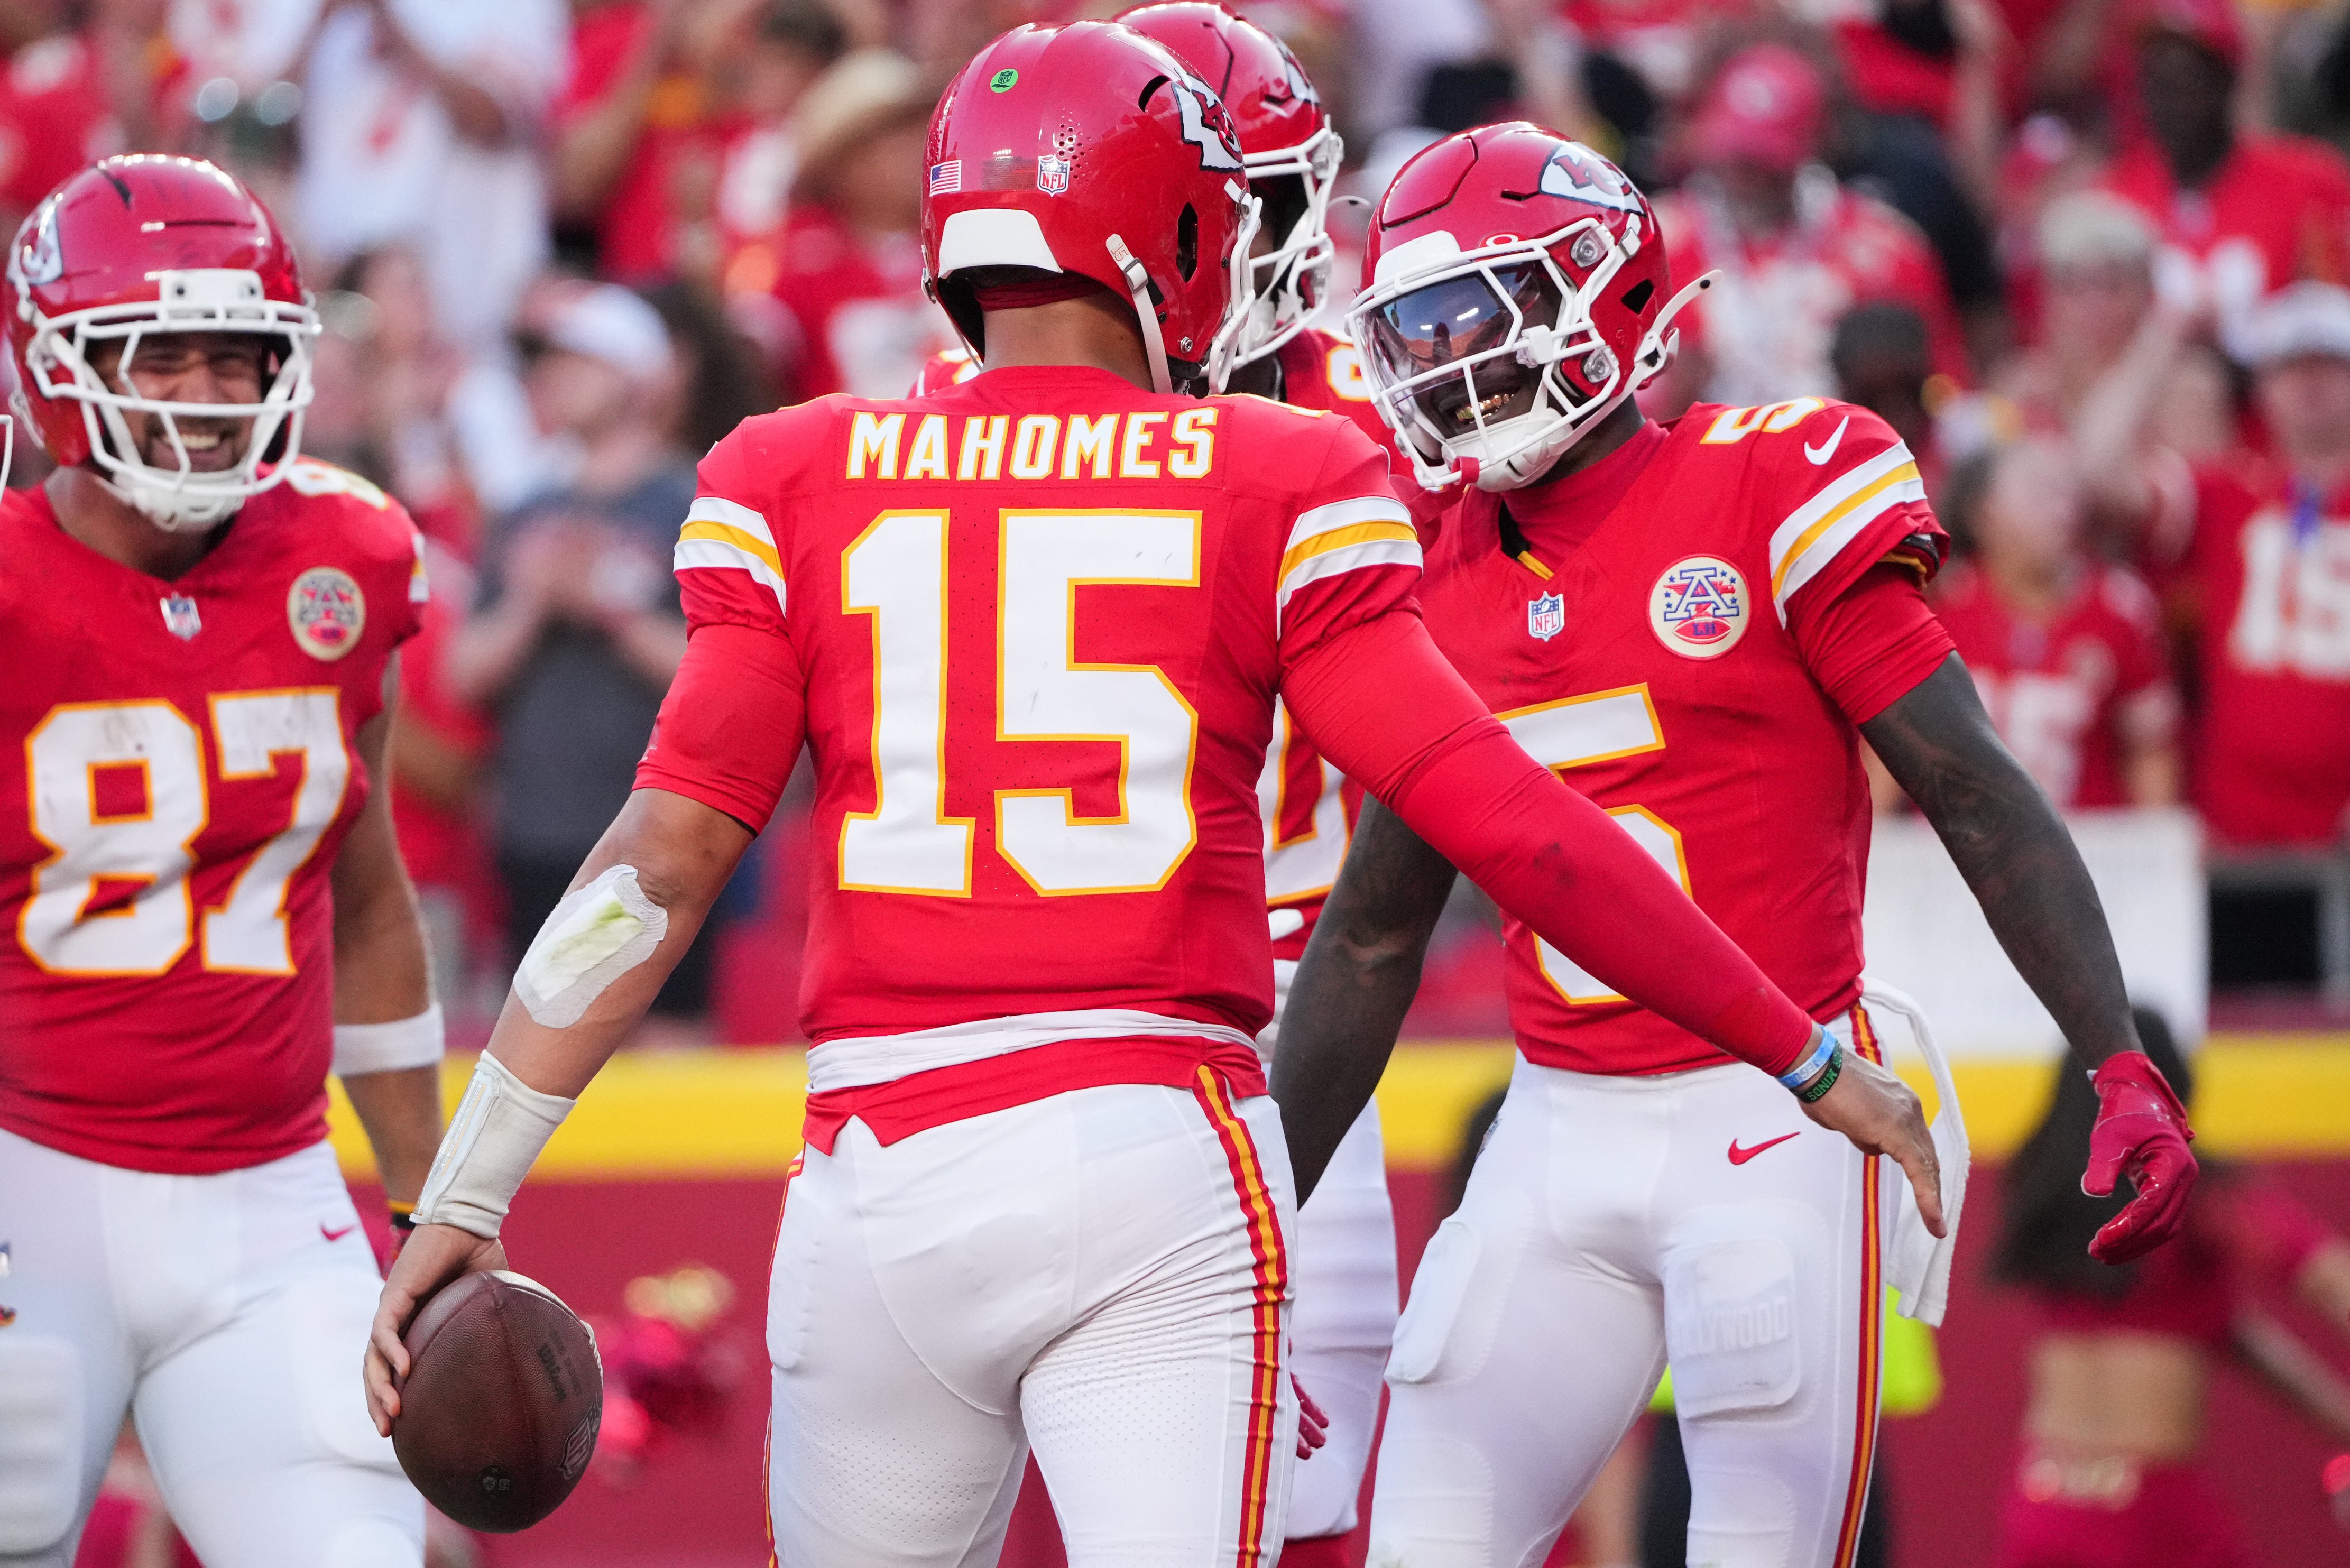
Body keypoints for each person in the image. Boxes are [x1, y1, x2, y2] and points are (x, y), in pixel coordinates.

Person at [366, 24, 1943, 1566]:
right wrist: (1799, 1051)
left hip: (880, 1159)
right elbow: (1502, 815)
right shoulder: (1274, 466)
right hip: (1160, 1138)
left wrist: (469, 1181)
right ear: (1174, 226)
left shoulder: (794, 465)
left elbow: (659, 860)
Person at [1274, 124, 2200, 1568]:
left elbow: (1970, 787)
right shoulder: (1430, 556)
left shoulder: (1777, 479)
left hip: (1776, 1125)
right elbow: (1376, 924)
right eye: (1410, 331)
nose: (1441, 365)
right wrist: (1263, 1228)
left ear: (1605, 300)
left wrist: (2114, 1052)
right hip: (1551, 1127)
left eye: (1474, 318)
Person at [0, 156, 442, 1567]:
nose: (199, 392)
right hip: (26, 1186)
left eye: (233, 353)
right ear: (59, 367)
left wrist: (430, 1202)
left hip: (271, 1194)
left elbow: (366, 897)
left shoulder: (348, 553)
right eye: (157, 352)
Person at [440, 282, 708, 1042]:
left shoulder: (693, 502)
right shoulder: (527, 509)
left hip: (665, 837)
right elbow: (463, 675)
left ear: (634, 373)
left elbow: (729, 679)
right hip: (539, 835)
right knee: (543, 1053)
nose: (554, 377)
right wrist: (530, 602)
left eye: (577, 359)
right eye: (549, 361)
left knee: (671, 1061)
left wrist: (613, 608)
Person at [1992, 1011, 2350, 1568]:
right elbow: (2327, 1276)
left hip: (2041, 1501)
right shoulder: (2194, 1196)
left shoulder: (2048, 1197)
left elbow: (2225, 1335)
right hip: (2149, 1517)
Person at [2131, 281, 2350, 849]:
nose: (2309, 385)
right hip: (2233, 827)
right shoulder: (2224, 489)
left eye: (2329, 366)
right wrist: (2162, 339)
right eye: (2289, 368)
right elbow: (2095, 472)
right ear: (2260, 387)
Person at [1654, 42, 1969, 411]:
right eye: (1735, 152)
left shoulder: (1885, 250)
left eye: (1762, 158)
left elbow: (1945, 395)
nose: (1744, 174)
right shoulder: (1654, 244)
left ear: (1813, 144)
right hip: (1696, 454)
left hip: (1846, 453)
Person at [1934, 438, 2181, 809]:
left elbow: (2149, 749)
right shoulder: (1943, 608)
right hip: (1952, 854)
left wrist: (2156, 844)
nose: (2060, 509)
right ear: (1982, 513)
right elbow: (1888, 752)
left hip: (2086, 851)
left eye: (2064, 493)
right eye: (2038, 493)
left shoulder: (2120, 607)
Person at [2098, 0, 2350, 356]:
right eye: (2154, 79)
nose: (2167, 98)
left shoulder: (2310, 183)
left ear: (2226, 81)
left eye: (2186, 78)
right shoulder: (2113, 199)